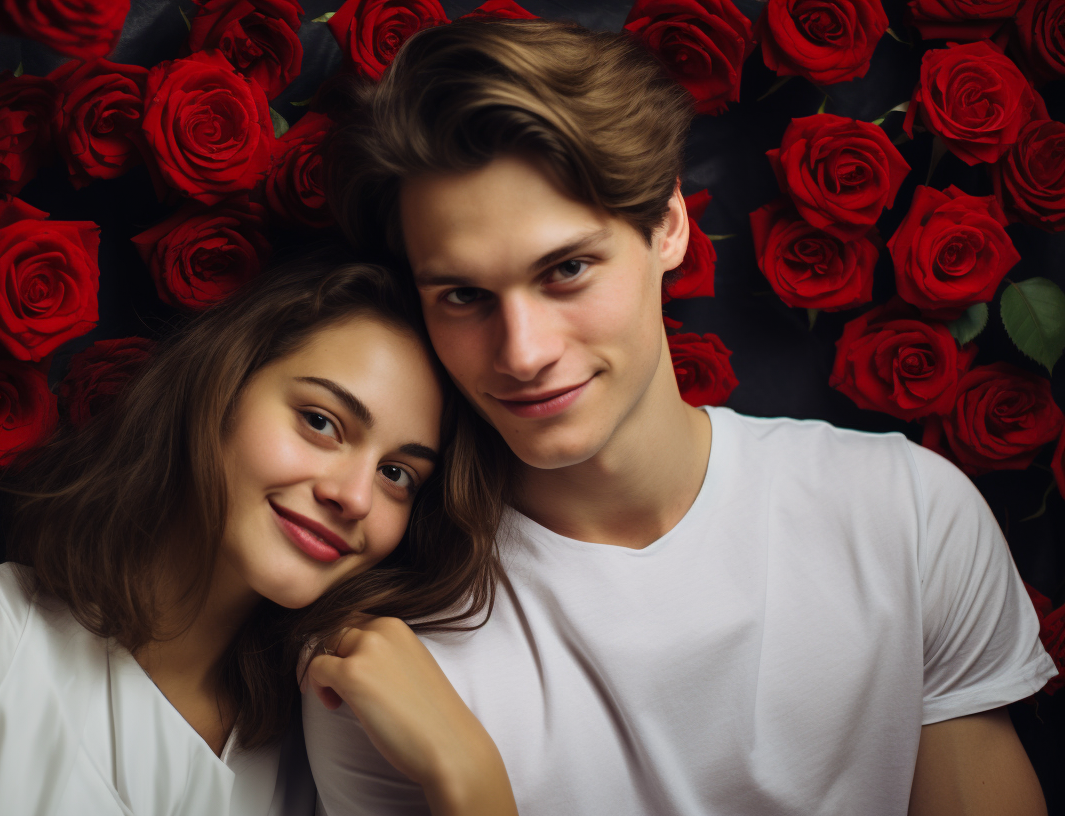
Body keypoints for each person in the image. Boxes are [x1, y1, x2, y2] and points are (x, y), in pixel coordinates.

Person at [301, 18, 1058, 816]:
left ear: (667, 226)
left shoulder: (905, 514)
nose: (522, 352)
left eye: (567, 270)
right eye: (462, 295)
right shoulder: (384, 648)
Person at [0, 258, 520, 816]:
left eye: (398, 476)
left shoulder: (325, 762)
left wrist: (469, 779)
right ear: (217, 390)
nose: (352, 495)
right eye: (320, 421)